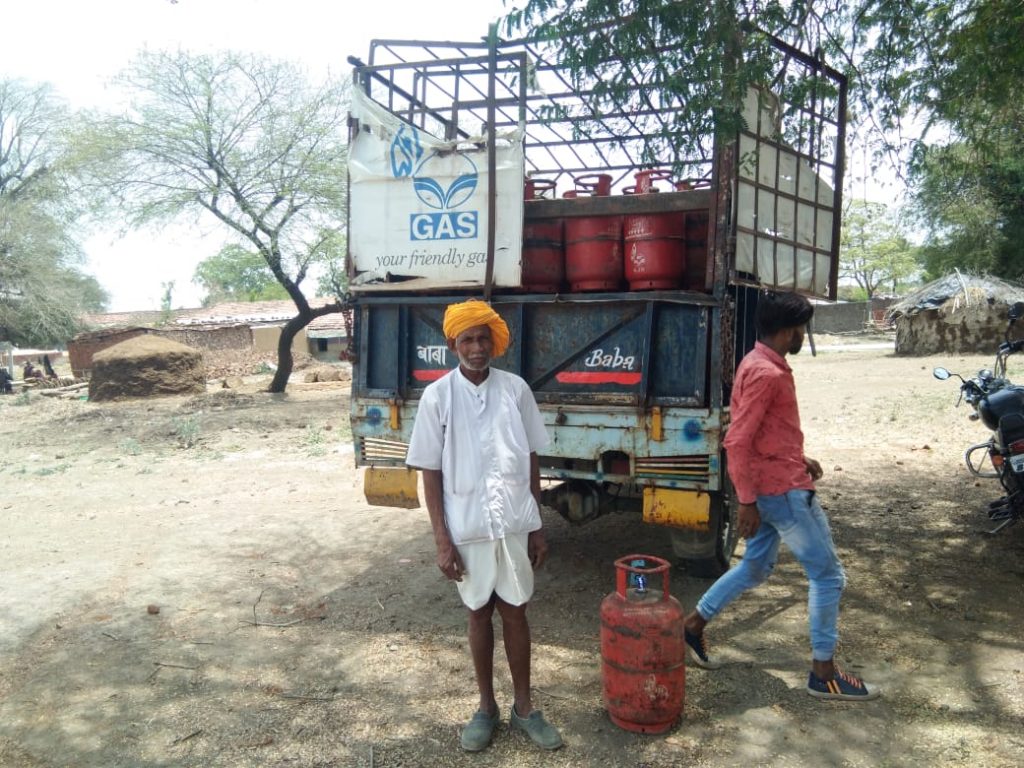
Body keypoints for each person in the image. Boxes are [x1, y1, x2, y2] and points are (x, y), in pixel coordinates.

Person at [683, 291, 879, 701]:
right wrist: (746, 501)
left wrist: (796, 456)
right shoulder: (768, 374)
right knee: (828, 576)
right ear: (790, 331)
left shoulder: (755, 361)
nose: (802, 335)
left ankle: (693, 626)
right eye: (801, 329)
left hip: (772, 485)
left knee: (755, 568)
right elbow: (737, 440)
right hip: (783, 494)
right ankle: (823, 673)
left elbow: (760, 430)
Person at [406, 299, 563, 752]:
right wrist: (442, 540)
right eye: (468, 339)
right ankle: (486, 708)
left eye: (483, 339)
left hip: (513, 523)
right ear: (452, 344)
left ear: (494, 343)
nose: (477, 348)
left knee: (516, 611)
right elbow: (429, 472)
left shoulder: (516, 390)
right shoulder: (438, 397)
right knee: (478, 612)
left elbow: (531, 458)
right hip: (467, 526)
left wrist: (536, 525)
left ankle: (524, 708)